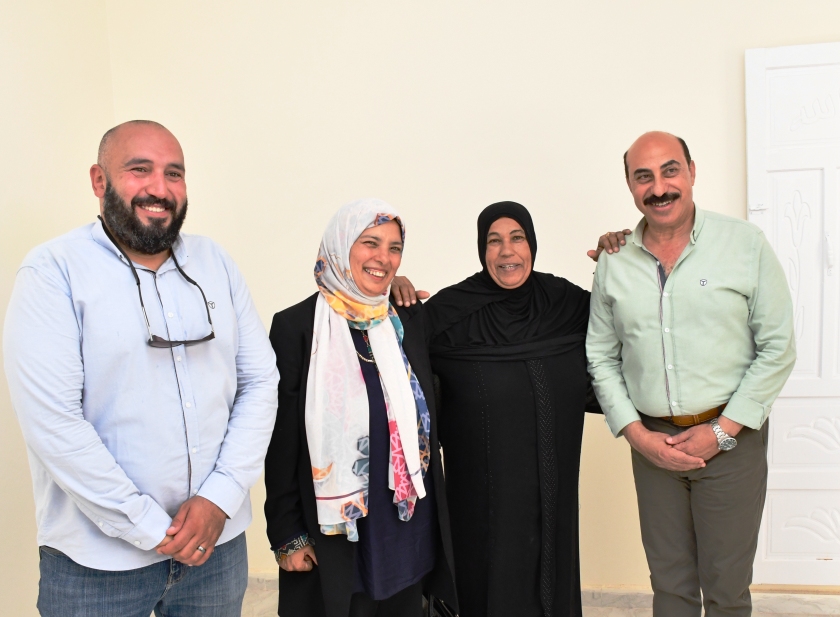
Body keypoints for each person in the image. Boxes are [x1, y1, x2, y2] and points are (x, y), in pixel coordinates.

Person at [3, 120, 279, 616]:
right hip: (97, 564)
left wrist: (219, 498)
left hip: (216, 549)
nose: (159, 188)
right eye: (139, 169)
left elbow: (260, 382)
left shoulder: (215, 262)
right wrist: (151, 528)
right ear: (99, 180)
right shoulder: (53, 271)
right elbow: (54, 422)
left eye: (174, 173)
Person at [586, 131, 796, 616]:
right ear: (630, 185)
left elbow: (778, 347)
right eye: (644, 177)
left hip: (732, 442)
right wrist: (637, 435)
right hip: (652, 445)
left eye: (670, 171)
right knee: (670, 586)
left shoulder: (744, 244)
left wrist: (722, 432)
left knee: (726, 589)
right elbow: (601, 357)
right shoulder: (614, 261)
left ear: (692, 171)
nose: (659, 188)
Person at [392, 201, 602, 617]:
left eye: (517, 237)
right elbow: (393, 351)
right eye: (494, 241)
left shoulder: (563, 303)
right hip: (480, 497)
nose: (507, 250)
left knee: (553, 578)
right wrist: (388, 290)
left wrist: (623, 261)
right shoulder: (451, 311)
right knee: (488, 584)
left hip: (554, 487)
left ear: (532, 244)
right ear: (481, 249)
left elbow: (624, 324)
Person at [263, 199, 456, 617]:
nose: (383, 257)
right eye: (370, 243)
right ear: (341, 244)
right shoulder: (296, 328)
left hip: (406, 524)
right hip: (338, 531)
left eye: (394, 248)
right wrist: (286, 533)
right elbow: (279, 442)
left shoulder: (406, 320)